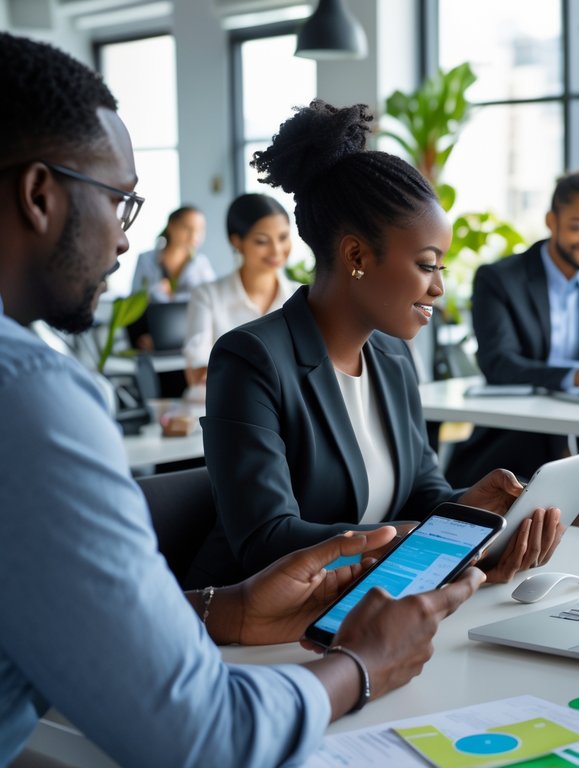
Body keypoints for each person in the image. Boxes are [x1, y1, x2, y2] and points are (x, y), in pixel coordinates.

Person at [0, 32, 484, 766]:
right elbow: (198, 736)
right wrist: (359, 666)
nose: (128, 244)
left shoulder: (390, 357)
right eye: (120, 202)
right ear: (39, 195)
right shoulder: (31, 398)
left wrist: (219, 611)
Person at [192, 100, 562, 588]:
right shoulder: (252, 359)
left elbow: (422, 491)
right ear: (356, 254)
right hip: (256, 630)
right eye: (427, 265)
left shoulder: (391, 357)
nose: (438, 288)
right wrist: (422, 541)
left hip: (374, 604)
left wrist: (471, 507)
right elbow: (265, 539)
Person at [445, 171, 579, 532]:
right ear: (552, 221)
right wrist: (574, 375)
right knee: (549, 462)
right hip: (516, 434)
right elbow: (497, 362)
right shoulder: (500, 278)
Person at [183, 193, 299, 386]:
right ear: (236, 241)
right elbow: (197, 372)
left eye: (283, 237)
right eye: (262, 241)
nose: (277, 250)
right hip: (217, 410)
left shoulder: (300, 297)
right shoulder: (207, 296)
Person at [127, 204, 215, 350]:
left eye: (200, 230)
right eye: (187, 228)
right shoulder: (146, 259)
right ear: (172, 226)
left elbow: (211, 303)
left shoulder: (201, 264)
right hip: (149, 335)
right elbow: (135, 300)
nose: (194, 236)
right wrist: (156, 290)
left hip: (188, 338)